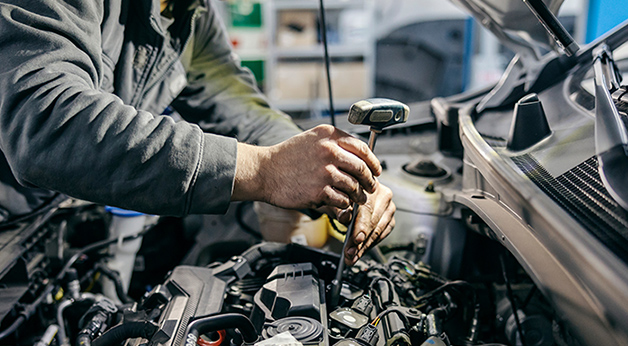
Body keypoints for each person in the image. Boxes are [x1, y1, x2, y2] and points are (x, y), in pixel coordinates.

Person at [0, 0, 395, 264]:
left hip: (62, 224)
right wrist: (263, 169)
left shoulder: (188, 13)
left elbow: (236, 102)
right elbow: (43, 120)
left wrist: (332, 173)